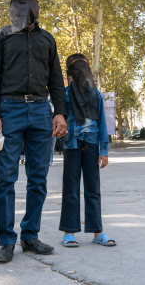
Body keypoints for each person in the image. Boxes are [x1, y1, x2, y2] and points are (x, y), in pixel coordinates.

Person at [0, 0, 67, 263]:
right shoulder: (1, 36)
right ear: (12, 6)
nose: (26, 7)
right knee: (5, 179)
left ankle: (30, 236)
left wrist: (60, 114)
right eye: (20, 3)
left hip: (42, 111)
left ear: (37, 6)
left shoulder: (47, 39)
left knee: (38, 178)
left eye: (30, 2)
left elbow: (56, 79)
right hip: (9, 111)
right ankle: (6, 241)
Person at [59, 53, 115, 248]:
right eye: (76, 68)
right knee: (71, 190)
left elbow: (102, 123)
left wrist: (104, 151)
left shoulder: (95, 95)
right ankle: (69, 232)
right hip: (71, 145)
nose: (81, 72)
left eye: (84, 68)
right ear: (70, 73)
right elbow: (57, 122)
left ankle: (97, 232)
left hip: (91, 145)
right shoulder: (64, 95)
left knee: (93, 190)